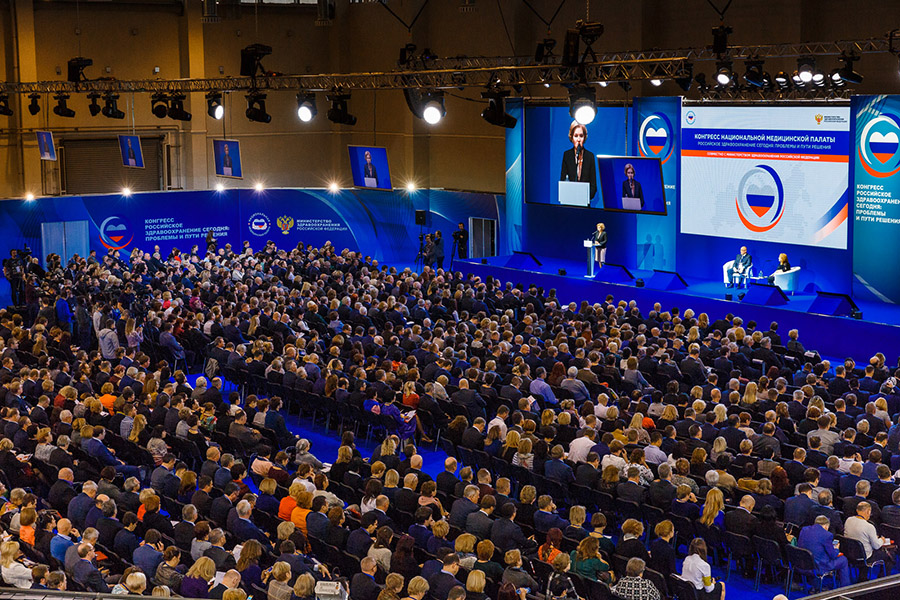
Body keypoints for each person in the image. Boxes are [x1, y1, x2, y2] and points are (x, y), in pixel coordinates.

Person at [798, 515, 850, 588]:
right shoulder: (827, 535)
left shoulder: (804, 530)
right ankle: (846, 588)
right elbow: (833, 555)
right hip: (819, 567)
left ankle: (815, 586)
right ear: (826, 526)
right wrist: (836, 549)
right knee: (843, 560)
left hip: (802, 565)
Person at [559, 121, 597, 201]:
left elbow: (593, 186)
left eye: (581, 136)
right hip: (569, 201)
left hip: (585, 201)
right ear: (571, 137)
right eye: (576, 136)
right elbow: (563, 181)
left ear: (585, 137)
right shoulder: (567, 155)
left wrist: (583, 198)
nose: (579, 139)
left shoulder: (590, 156)